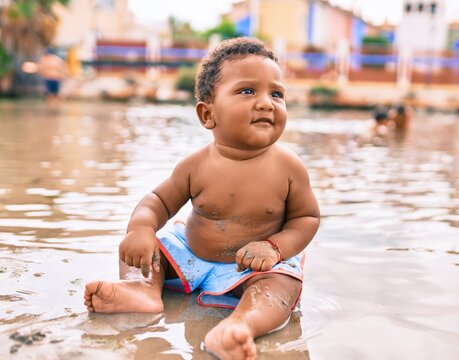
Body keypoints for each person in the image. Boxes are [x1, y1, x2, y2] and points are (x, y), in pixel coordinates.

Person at [84, 37, 320, 360]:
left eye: (276, 94)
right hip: (191, 255)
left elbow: (306, 218)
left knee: (280, 286)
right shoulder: (195, 165)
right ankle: (142, 290)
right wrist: (140, 229)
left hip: (253, 269)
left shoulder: (289, 167)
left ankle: (240, 326)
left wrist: (275, 247)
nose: (267, 103)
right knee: (144, 246)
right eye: (248, 91)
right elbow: (157, 201)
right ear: (207, 114)